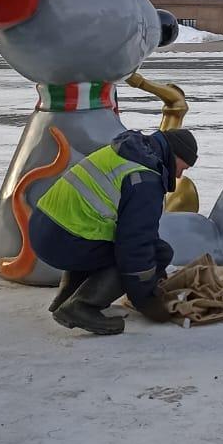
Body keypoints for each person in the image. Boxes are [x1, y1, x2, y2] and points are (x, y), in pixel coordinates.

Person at [30, 127, 199, 335]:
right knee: (141, 255)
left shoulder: (127, 152)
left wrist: (156, 278)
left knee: (146, 248)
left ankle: (67, 297)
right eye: (185, 167)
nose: (181, 174)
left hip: (43, 227)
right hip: (65, 239)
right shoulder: (145, 179)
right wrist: (146, 301)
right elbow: (135, 249)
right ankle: (81, 307)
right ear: (175, 156)